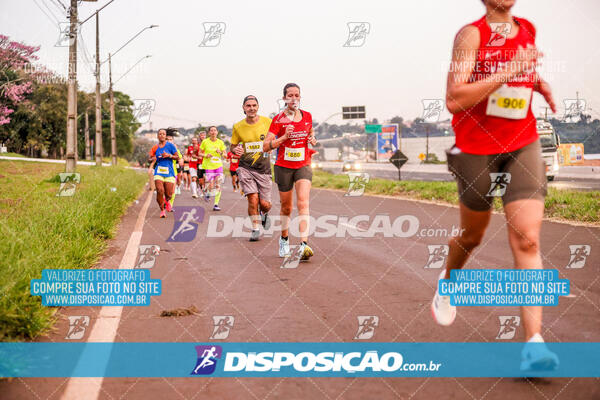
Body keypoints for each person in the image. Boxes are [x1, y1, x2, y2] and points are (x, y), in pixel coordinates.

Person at [432, 0, 559, 371]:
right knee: (472, 235)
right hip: (475, 147)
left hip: (523, 140)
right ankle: (448, 280)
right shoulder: (471, 35)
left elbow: (523, 75)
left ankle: (534, 344)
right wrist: (508, 70)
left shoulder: (528, 29)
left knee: (527, 237)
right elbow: (455, 98)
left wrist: (539, 84)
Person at [263, 83, 316, 259]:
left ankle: (303, 245)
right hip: (283, 166)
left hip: (303, 164)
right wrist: (284, 137)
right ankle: (284, 239)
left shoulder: (307, 116)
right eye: (290, 95)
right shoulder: (278, 119)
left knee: (303, 203)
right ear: (284, 98)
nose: (294, 98)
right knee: (287, 207)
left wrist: (312, 138)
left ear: (300, 97)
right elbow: (266, 146)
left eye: (297, 95)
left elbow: (310, 132)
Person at [231, 95, 273, 242]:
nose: (251, 108)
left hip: (264, 168)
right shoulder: (238, 126)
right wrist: (235, 150)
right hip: (245, 167)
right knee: (252, 198)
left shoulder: (268, 122)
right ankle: (255, 229)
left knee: (265, 204)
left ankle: (264, 214)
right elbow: (233, 145)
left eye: (254, 105)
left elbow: (277, 138)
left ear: (258, 107)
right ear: (243, 108)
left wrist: (272, 145)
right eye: (248, 106)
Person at [148, 129, 179, 218]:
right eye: (160, 134)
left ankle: (167, 201)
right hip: (159, 172)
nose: (162, 135)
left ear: (165, 136)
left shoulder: (171, 146)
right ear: (157, 136)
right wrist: (154, 158)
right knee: (160, 190)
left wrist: (169, 155)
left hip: (169, 172)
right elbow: (149, 159)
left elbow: (177, 157)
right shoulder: (155, 147)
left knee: (169, 194)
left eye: (163, 134)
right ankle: (162, 210)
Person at [199, 126, 226, 211]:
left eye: (215, 130)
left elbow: (225, 155)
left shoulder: (220, 142)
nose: (213, 132)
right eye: (211, 130)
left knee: (218, 184)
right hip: (209, 166)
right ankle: (208, 193)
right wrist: (206, 155)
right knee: (210, 184)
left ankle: (216, 204)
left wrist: (221, 152)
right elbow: (199, 153)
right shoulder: (205, 142)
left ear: (217, 132)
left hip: (218, 166)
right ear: (209, 133)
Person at [166, 130, 183, 209]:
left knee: (172, 191)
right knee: (165, 190)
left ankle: (170, 205)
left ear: (173, 141)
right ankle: (166, 202)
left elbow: (179, 157)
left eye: (170, 140)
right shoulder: (161, 147)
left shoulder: (175, 148)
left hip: (173, 172)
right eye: (167, 139)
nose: (169, 141)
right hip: (162, 171)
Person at [197, 130, 208, 196]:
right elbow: (194, 154)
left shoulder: (208, 143)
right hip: (200, 163)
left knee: (207, 178)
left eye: (204, 135)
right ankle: (200, 188)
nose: (203, 136)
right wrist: (198, 156)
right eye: (202, 135)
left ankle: (206, 190)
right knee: (201, 179)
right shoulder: (197, 144)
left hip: (207, 163)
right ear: (199, 136)